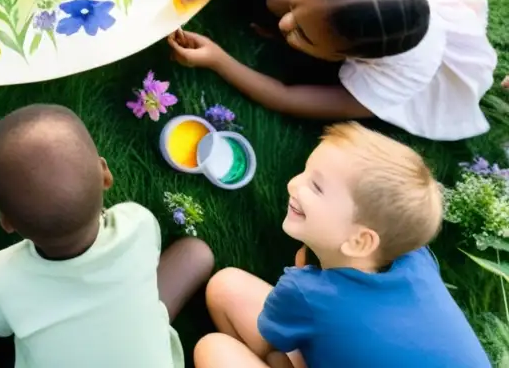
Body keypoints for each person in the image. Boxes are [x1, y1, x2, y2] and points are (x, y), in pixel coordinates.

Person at [193, 122, 490, 368]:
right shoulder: (414, 255)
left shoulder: (307, 293)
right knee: (226, 287)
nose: (293, 184)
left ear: (361, 240)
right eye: (306, 173)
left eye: (316, 187)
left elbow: (275, 344)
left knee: (213, 348)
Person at [0, 104, 214, 368]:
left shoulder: (3, 275)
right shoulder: (137, 223)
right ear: (105, 175)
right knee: (196, 253)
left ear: (6, 221)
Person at [169, 0, 496, 140]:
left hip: (428, 74)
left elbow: (287, 98)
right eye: (296, 10)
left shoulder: (394, 76)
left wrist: (218, 60)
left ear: (353, 58)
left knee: (295, 65)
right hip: (394, 7)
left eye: (303, 34)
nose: (285, 22)